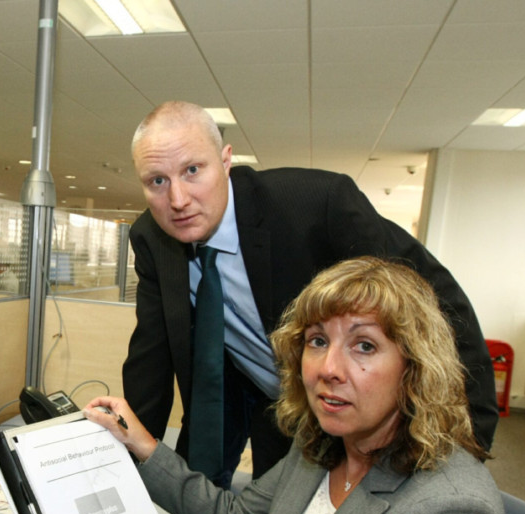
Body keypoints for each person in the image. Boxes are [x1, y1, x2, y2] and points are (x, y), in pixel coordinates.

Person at [38, 257, 506, 514]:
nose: (328, 368)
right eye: (317, 341)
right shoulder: (324, 445)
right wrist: (140, 443)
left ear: (415, 368)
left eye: (364, 346)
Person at [123, 101, 497, 486]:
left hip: (362, 414)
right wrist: (124, 464)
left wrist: (472, 433)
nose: (178, 199)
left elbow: (435, 303)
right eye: (157, 181)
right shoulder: (151, 238)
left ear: (225, 160)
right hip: (273, 410)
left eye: (192, 170)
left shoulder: (317, 205)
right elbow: (150, 356)